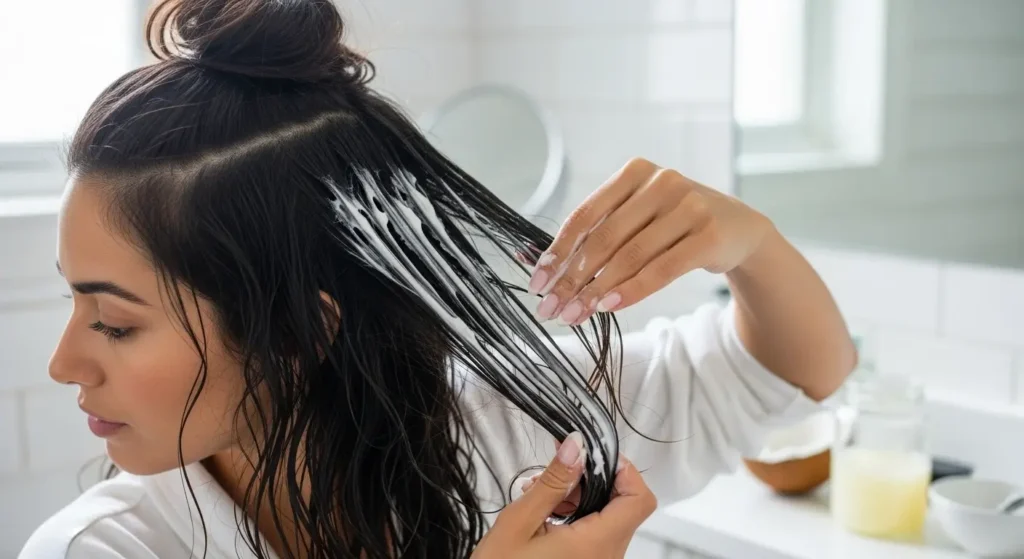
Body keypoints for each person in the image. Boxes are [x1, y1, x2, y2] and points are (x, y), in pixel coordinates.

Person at [19, 0, 856, 557]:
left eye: (115, 323)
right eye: (76, 301)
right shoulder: (105, 549)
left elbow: (794, 371)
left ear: (302, 332)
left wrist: (751, 244)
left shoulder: (510, 431)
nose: (64, 363)